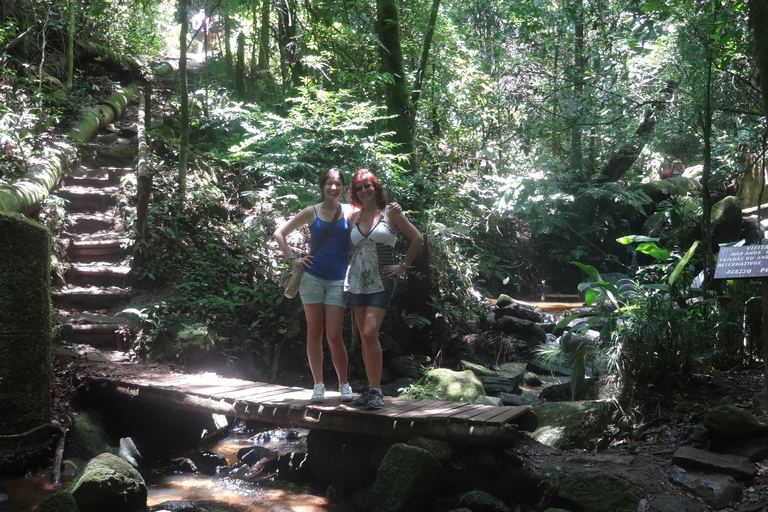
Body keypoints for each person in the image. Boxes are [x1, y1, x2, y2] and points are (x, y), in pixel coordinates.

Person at [273, 168, 354, 403]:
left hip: (339, 278)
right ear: (322, 186)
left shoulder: (349, 211)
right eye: (329, 183)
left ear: (342, 187)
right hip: (312, 277)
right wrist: (293, 258)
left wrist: (393, 208)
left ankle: (344, 384)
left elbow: (372, 215)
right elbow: (280, 233)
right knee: (314, 333)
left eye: (338, 184)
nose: (333, 188)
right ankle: (318, 385)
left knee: (334, 336)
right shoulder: (311, 212)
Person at [345, 169, 423, 410]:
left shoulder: (391, 212)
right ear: (355, 192)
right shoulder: (353, 217)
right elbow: (350, 248)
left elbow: (417, 238)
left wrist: (402, 266)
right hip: (357, 280)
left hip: (382, 280)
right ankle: (370, 388)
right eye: (359, 188)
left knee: (369, 333)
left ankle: (377, 390)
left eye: (368, 186)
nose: (364, 190)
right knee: (364, 337)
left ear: (376, 188)